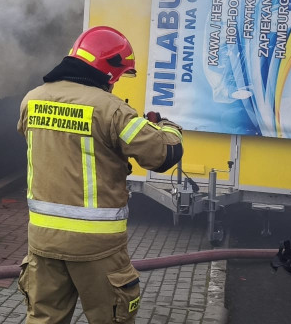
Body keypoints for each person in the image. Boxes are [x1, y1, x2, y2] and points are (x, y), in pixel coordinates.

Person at [16, 25, 184, 324]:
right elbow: (162, 156)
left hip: (43, 241)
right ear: (110, 70)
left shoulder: (32, 99)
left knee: (43, 319)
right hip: (97, 246)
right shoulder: (111, 109)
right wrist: (168, 127)